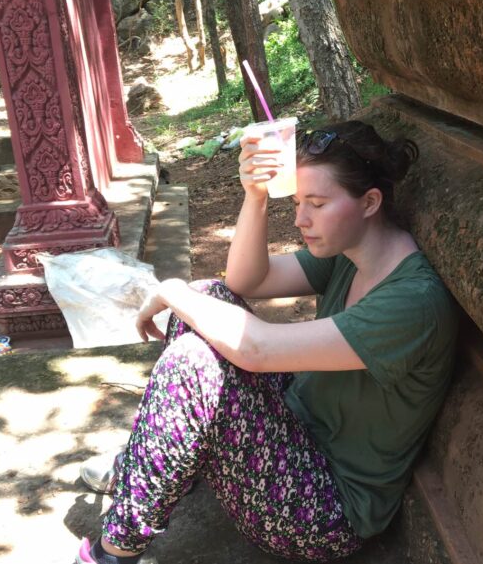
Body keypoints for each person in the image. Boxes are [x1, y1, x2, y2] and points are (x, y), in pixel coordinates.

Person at [75, 120, 459, 564]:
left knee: (192, 358)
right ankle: (154, 471)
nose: (300, 219)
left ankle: (112, 553)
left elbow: (256, 350)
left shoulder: (412, 303)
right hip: (292, 437)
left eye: (316, 203)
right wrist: (255, 196)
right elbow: (245, 280)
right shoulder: (349, 256)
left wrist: (171, 291)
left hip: (326, 512)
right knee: (208, 296)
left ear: (370, 201)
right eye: (297, 202)